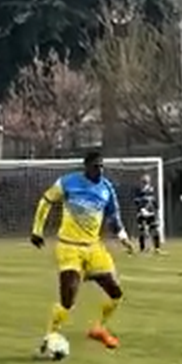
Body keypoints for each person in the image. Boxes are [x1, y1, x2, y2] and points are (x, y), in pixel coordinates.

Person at [31, 149, 134, 352]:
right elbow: (46, 201)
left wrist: (122, 237)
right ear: (86, 166)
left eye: (102, 166)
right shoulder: (68, 182)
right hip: (69, 247)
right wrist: (37, 230)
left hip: (94, 248)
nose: (100, 170)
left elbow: (113, 216)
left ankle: (98, 328)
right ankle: (51, 333)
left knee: (116, 293)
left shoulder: (106, 188)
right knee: (68, 297)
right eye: (96, 166)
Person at [133, 174, 162, 253]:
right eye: (144, 180)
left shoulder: (152, 189)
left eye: (147, 179)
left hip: (151, 214)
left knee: (155, 230)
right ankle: (142, 248)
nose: (146, 181)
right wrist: (141, 207)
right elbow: (136, 201)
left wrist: (156, 211)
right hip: (141, 213)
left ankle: (157, 248)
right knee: (142, 231)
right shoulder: (138, 190)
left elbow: (155, 203)